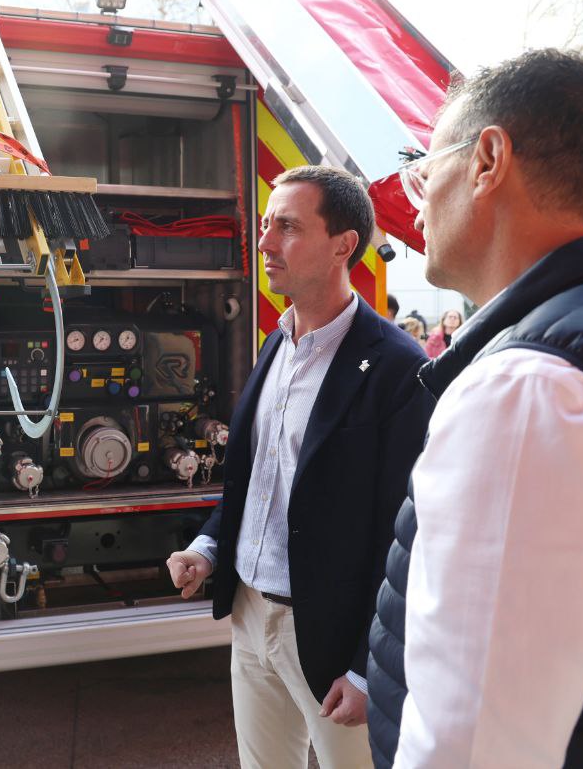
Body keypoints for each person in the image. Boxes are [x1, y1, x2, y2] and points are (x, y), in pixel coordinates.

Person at [367, 49, 583, 768]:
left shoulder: (529, 388)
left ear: (488, 158)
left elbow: (473, 748)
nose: (416, 199)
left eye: (422, 170)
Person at [166, 166, 433, 769]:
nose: (264, 244)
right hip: (249, 613)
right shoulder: (276, 345)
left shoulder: (395, 365)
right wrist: (209, 547)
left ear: (344, 244)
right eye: (265, 225)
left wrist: (370, 667)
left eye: (286, 226)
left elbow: (408, 531)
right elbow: (259, 479)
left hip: (332, 635)